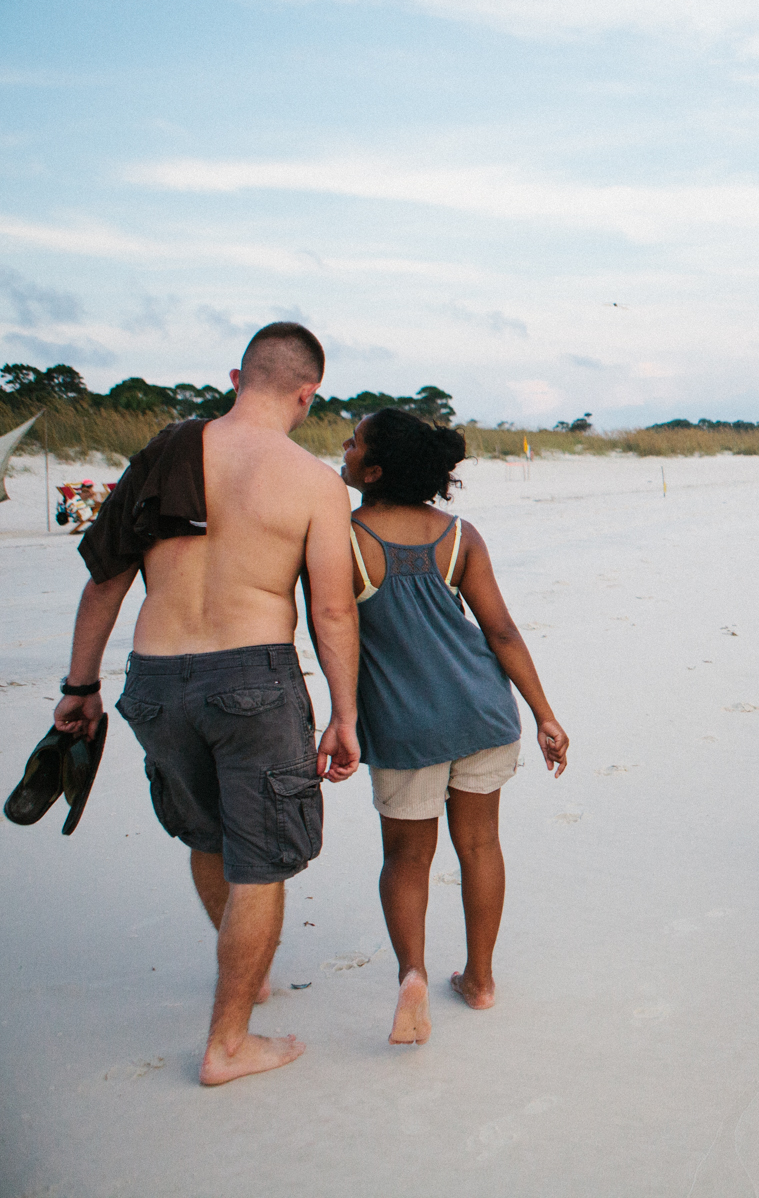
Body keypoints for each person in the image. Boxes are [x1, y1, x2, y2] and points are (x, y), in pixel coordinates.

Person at [55, 322, 360, 1085]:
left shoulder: (165, 452)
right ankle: (228, 1041)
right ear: (307, 392)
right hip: (252, 676)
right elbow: (331, 611)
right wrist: (345, 712)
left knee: (208, 833)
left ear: (236, 375)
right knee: (261, 861)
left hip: (154, 678)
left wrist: (79, 687)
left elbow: (104, 580)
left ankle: (247, 975)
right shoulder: (314, 480)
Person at [340, 409, 569, 1043]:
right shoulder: (461, 537)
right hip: (483, 714)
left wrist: (342, 718)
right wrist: (544, 714)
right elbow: (502, 632)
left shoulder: (344, 539)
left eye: (354, 442)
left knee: (407, 858)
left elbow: (335, 634)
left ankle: (412, 975)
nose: (345, 446)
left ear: (376, 469)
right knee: (480, 847)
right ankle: (482, 980)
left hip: (404, 729)